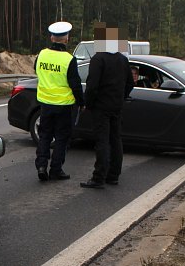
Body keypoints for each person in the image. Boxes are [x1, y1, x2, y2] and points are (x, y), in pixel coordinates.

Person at [80, 23, 134, 189]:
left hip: (101, 107)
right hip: (117, 106)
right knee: (116, 140)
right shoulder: (123, 60)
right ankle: (113, 175)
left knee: (102, 141)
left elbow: (92, 86)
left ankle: (98, 178)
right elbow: (130, 84)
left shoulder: (98, 59)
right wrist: (121, 97)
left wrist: (88, 104)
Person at [34, 21, 84, 181]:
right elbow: (75, 84)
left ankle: (41, 165)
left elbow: (36, 70)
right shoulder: (69, 59)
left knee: (44, 136)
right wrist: (81, 102)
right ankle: (56, 169)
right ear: (67, 39)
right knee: (61, 138)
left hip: (45, 104)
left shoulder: (41, 54)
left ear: (51, 37)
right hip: (64, 105)